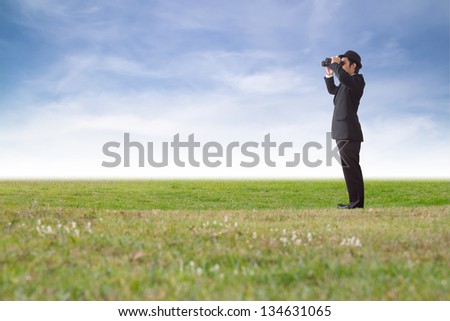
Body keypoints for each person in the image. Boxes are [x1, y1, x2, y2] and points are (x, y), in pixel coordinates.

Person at [324, 50, 365, 209]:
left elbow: (342, 77)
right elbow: (332, 90)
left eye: (343, 63)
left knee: (352, 168)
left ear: (353, 65)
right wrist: (329, 74)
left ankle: (356, 203)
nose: (340, 66)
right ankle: (353, 202)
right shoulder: (344, 84)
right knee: (348, 168)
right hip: (341, 130)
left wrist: (335, 65)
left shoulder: (357, 81)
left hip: (349, 131)